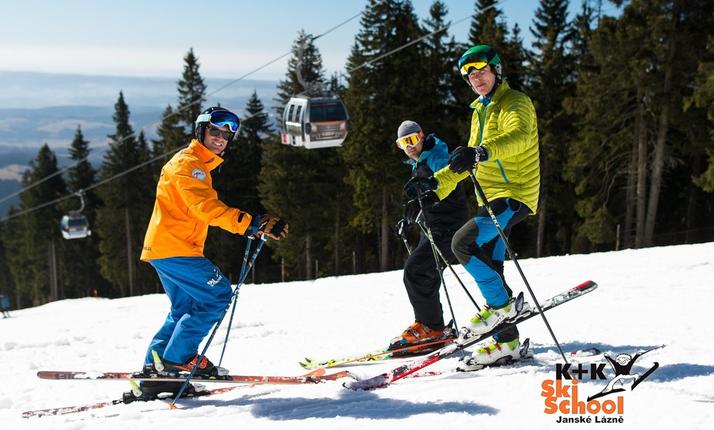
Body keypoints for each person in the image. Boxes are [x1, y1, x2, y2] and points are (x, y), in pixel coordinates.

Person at [138, 106, 288, 397]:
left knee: (183, 309)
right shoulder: (189, 165)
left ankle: (156, 374)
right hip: (176, 248)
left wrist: (252, 224)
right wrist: (251, 223)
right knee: (218, 295)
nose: (220, 138)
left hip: (167, 247)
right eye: (215, 131)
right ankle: (179, 358)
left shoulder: (196, 164)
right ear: (201, 131)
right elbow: (205, 207)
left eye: (226, 135)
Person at [416, 44, 540, 366]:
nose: (477, 79)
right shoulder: (479, 111)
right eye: (471, 76)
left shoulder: (516, 102)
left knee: (463, 243)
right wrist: (435, 186)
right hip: (491, 198)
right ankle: (507, 343)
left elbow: (519, 137)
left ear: (496, 71)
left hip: (514, 194)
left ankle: (502, 308)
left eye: (482, 71)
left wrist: (482, 152)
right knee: (490, 263)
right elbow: (465, 163)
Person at [389, 121, 468, 354]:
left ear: (421, 136)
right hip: (433, 227)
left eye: (412, 139)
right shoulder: (419, 162)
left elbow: (445, 184)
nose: (409, 146)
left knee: (416, 271)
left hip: (449, 227)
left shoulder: (436, 157)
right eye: (403, 143)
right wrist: (409, 219)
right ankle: (433, 328)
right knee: (426, 274)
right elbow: (423, 196)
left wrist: (425, 203)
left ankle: (431, 328)